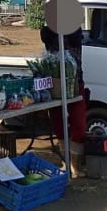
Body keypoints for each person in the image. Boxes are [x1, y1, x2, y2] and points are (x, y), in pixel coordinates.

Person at [40, 24, 88, 178]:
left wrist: (62, 33)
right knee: (58, 123)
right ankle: (65, 162)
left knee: (79, 124)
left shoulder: (75, 30)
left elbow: (74, 39)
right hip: (56, 85)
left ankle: (75, 164)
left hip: (75, 84)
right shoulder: (48, 31)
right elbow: (45, 36)